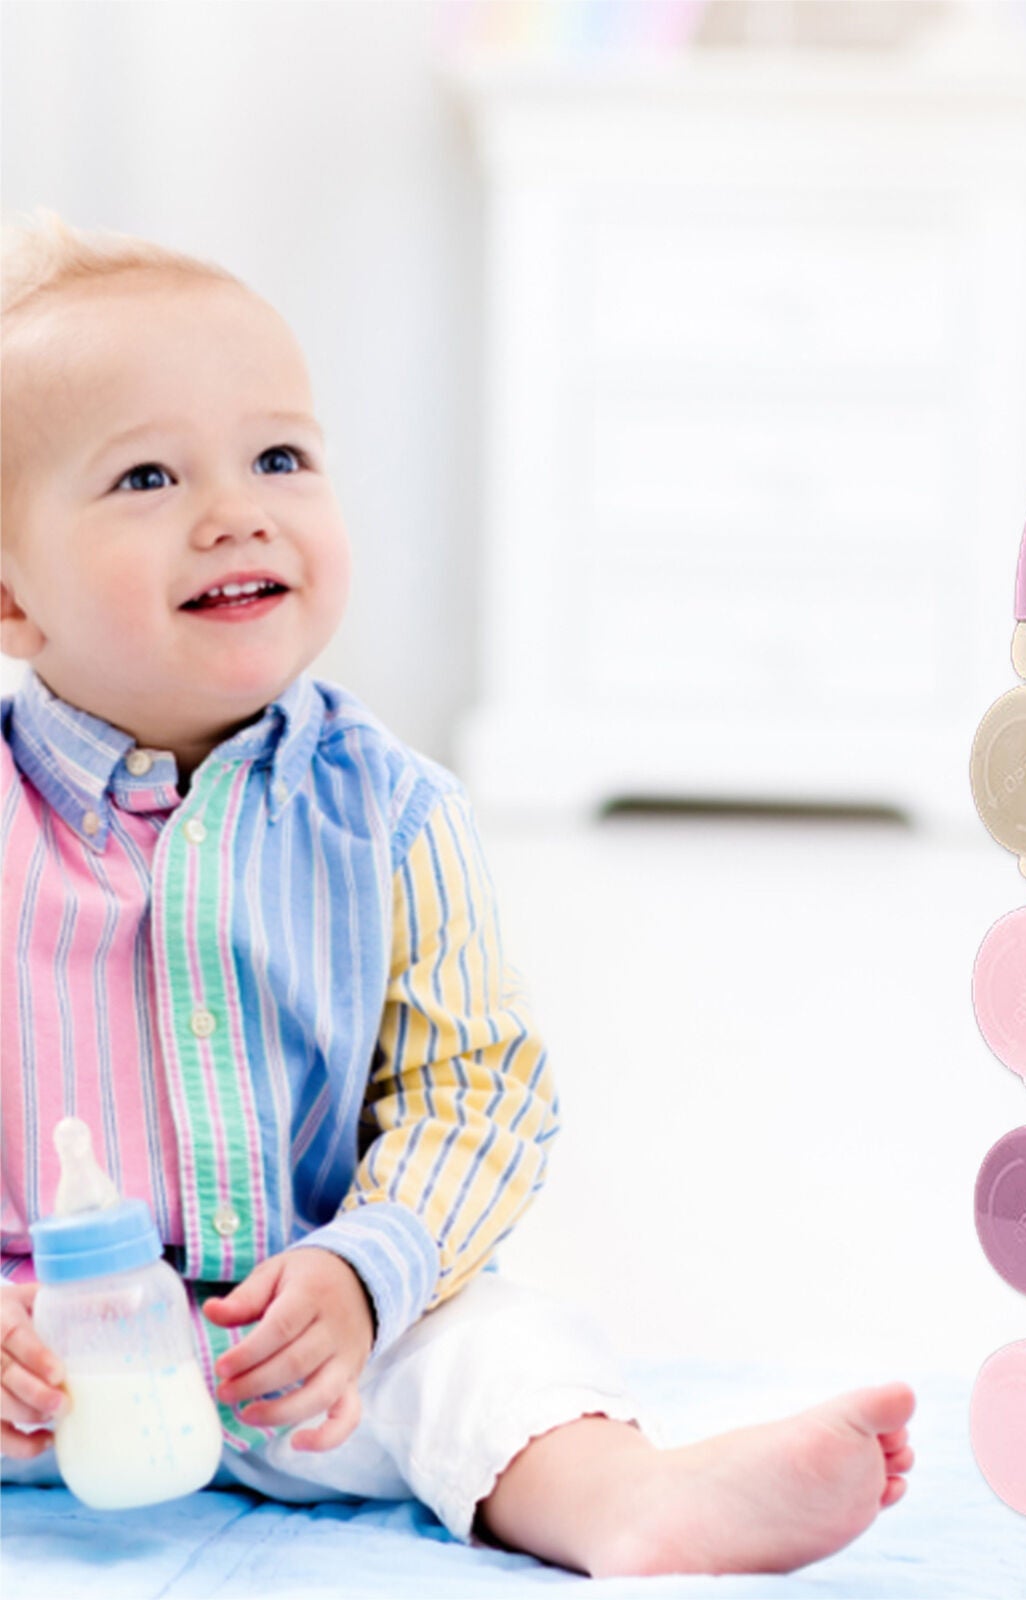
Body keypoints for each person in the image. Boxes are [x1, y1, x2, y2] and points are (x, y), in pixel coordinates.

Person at [0, 213, 914, 1577]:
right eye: (145, 475)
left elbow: (472, 1089)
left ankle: (632, 1501)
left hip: (311, 1347)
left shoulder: (391, 812)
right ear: (13, 600)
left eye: (281, 456)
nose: (237, 509)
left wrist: (370, 1275)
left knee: (499, 1354)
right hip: (40, 1364)